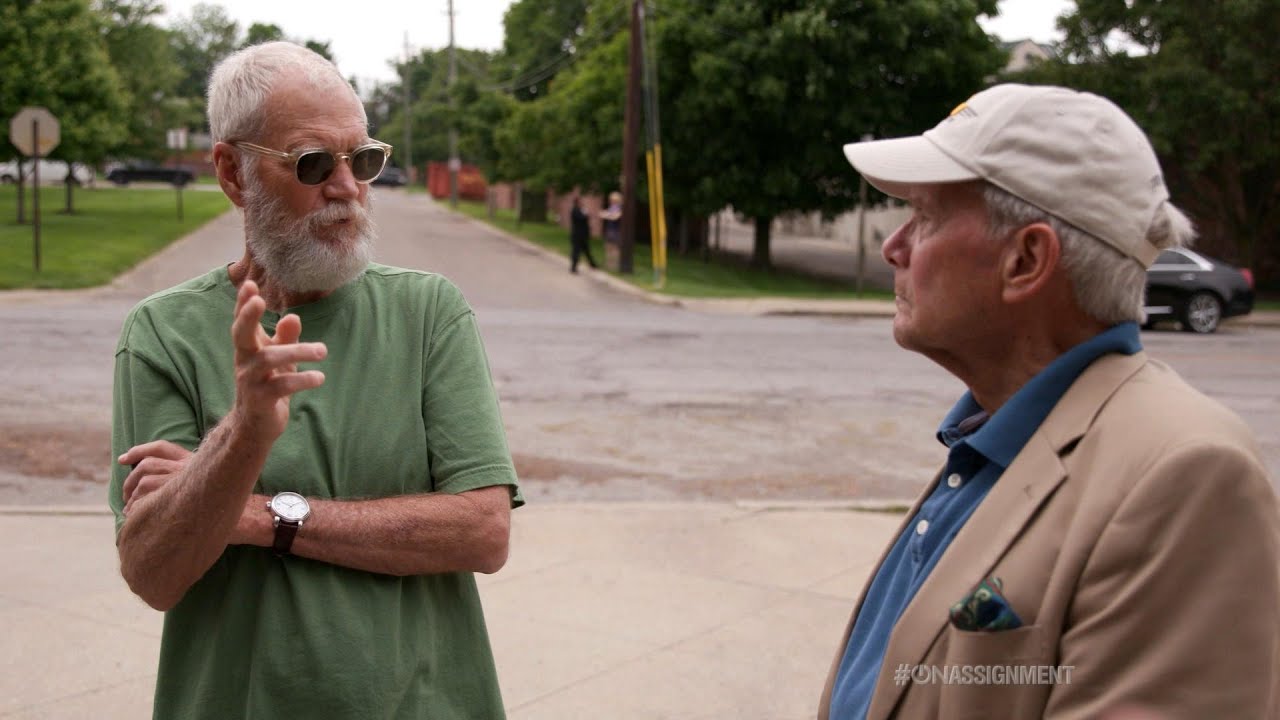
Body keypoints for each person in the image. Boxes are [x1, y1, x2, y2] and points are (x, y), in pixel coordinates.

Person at [822, 83, 1279, 719]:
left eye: (924, 216)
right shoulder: (996, 435)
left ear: (1026, 260)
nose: (893, 247)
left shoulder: (1185, 473)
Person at [108, 42, 522, 720]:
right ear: (233, 172)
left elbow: (482, 530)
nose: (347, 187)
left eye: (363, 160)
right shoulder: (162, 334)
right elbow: (154, 572)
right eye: (312, 163)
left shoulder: (428, 313)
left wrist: (258, 514)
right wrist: (244, 433)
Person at [568, 195, 597, 272]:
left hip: (583, 235)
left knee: (586, 250)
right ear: (577, 202)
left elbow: (585, 218)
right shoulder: (575, 210)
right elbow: (582, 218)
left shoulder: (581, 210)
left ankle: (592, 264)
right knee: (576, 251)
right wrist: (586, 215)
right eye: (580, 202)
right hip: (577, 235)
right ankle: (573, 267)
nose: (582, 203)